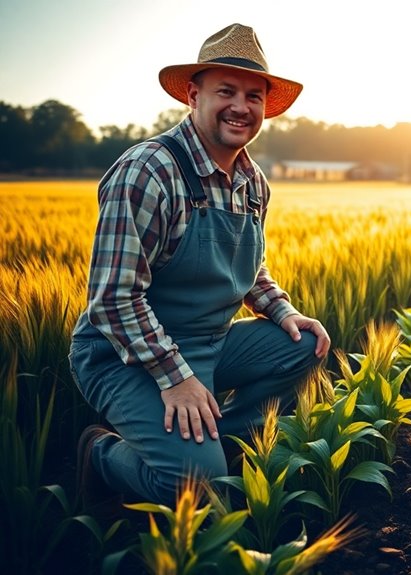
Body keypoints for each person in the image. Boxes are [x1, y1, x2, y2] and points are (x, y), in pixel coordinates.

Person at [70, 23, 331, 507]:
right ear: (193, 95)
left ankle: (215, 446)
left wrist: (282, 311)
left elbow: (247, 267)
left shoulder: (253, 182)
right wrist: (177, 378)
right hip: (123, 357)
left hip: (208, 344)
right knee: (195, 488)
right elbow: (111, 298)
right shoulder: (149, 170)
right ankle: (103, 454)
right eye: (225, 91)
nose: (241, 106)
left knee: (305, 346)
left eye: (254, 95)